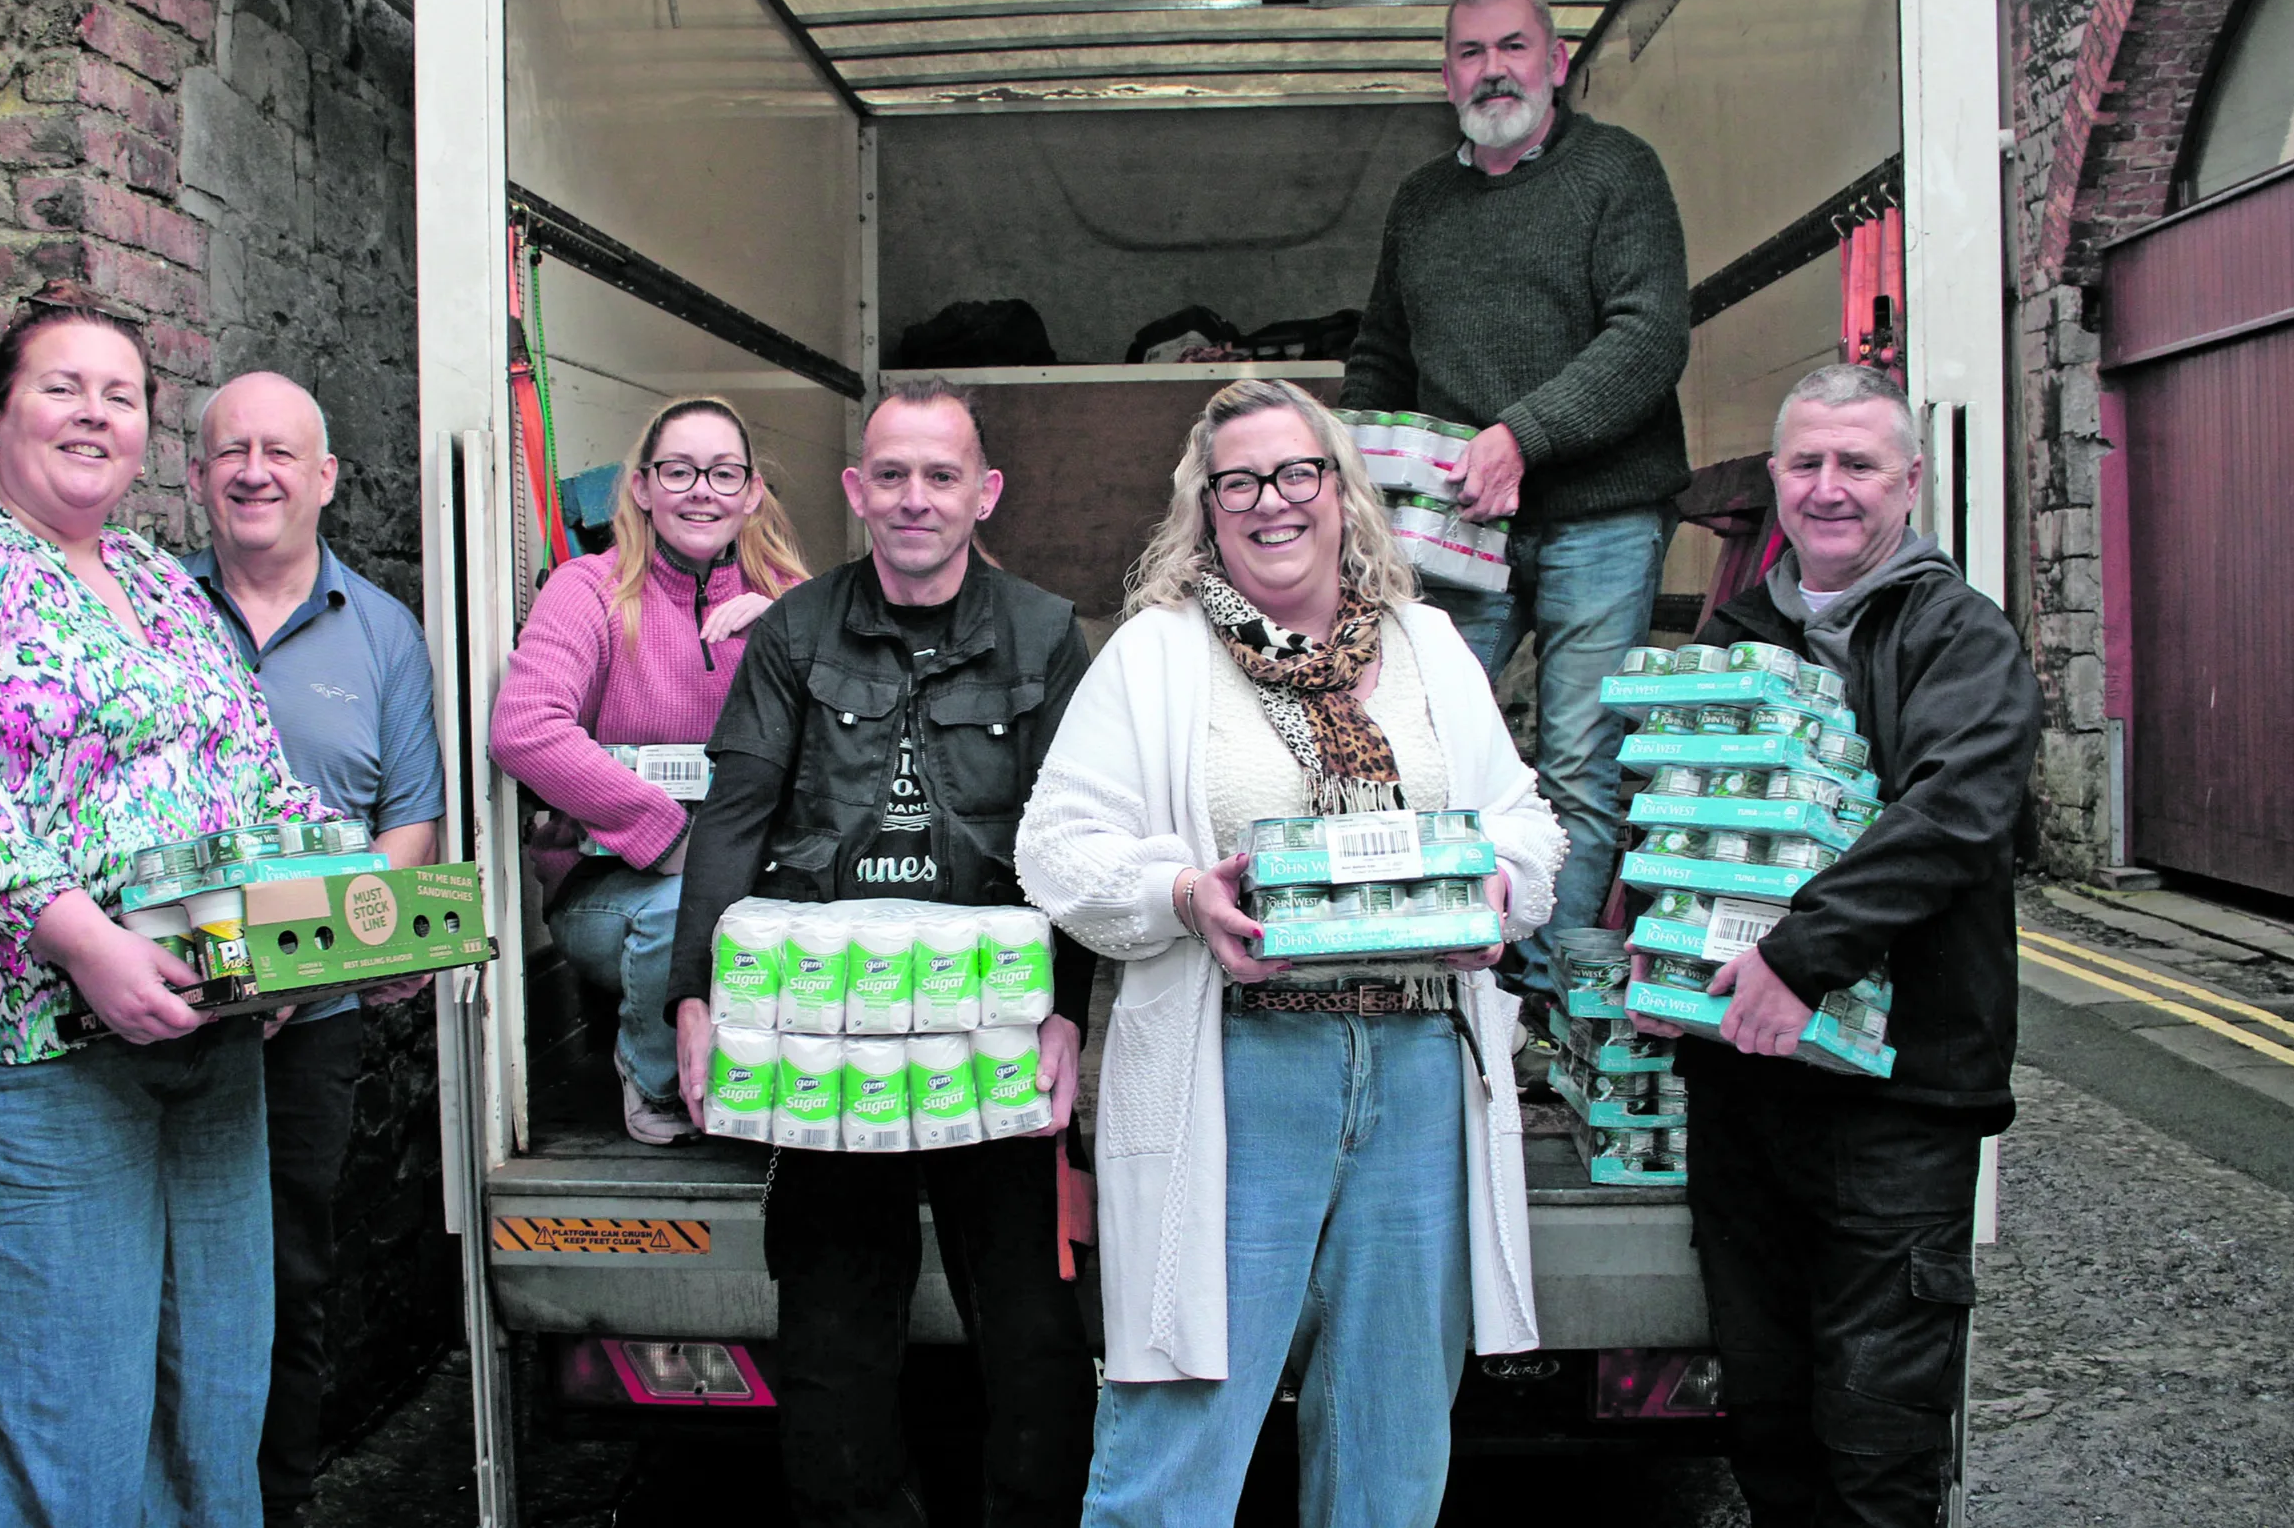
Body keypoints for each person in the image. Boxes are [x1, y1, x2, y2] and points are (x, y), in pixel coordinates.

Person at [1015, 376, 1565, 1526]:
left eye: (1295, 473)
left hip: (1416, 1067)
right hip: (1242, 1069)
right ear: (1206, 510)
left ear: (1340, 491)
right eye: (1239, 483)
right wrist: (1180, 895)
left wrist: (1498, 887)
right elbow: (1057, 847)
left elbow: (1523, 819)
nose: (1272, 502)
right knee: (1179, 1436)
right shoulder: (1155, 656)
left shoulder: (1427, 646)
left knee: (1391, 1430)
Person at [0, 283, 335, 1524]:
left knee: (208, 1382)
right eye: (62, 387)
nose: (93, 415)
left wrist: (299, 936)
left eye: (122, 396)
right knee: (48, 1399)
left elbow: (256, 778)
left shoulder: (164, 587)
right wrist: (84, 941)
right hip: (7, 1043)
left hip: (195, 1030)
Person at [665, 380, 1097, 1525]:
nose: (916, 499)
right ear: (856, 492)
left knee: (1035, 1337)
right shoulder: (795, 631)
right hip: (827, 1021)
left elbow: (1078, 837)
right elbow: (734, 816)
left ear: (983, 493)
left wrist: (1069, 1016)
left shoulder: (1048, 635)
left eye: (940, 475)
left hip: (992, 1027)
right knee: (832, 1333)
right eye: (891, 475)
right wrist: (697, 997)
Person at [1629, 364, 2040, 1527]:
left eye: (1856, 464)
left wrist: (1794, 959)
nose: (1828, 488)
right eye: (1804, 463)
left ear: (1909, 481)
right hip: (1747, 1092)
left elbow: (1950, 819)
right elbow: (1676, 824)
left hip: (1896, 1107)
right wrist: (1656, 970)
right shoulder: (1738, 629)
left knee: (1877, 1438)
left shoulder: (1960, 638)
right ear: (1773, 480)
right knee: (1768, 1423)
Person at [1341, 0, 1692, 991]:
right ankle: (1449, 967)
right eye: (1468, 52)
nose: (1491, 69)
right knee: (1430, 746)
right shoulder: (1421, 204)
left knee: (1579, 760)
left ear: (1556, 63)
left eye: (1510, 48)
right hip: (1452, 532)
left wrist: (1521, 437)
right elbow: (1380, 358)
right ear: (1444, 74)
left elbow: (1648, 337)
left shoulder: (1617, 174)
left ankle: (1539, 993)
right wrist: (1358, 477)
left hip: (1601, 516)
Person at [181, 370, 445, 1523]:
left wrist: (298, 968)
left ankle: (273, 1501)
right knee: (167, 1276)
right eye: (230, 450)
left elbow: (411, 829)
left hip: (309, 1023)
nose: (254, 470)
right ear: (194, 476)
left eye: (281, 452)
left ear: (325, 478)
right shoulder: (145, 612)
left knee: (290, 1269)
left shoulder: (385, 633)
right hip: (158, 1003)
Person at [489, 397, 809, 1144]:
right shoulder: (588, 590)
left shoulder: (796, 599)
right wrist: (666, 838)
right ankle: (657, 1076)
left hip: (758, 870)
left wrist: (791, 636)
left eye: (724, 473)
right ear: (641, 487)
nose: (703, 489)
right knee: (680, 916)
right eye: (679, 470)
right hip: (615, 888)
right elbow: (525, 729)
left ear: (753, 491)